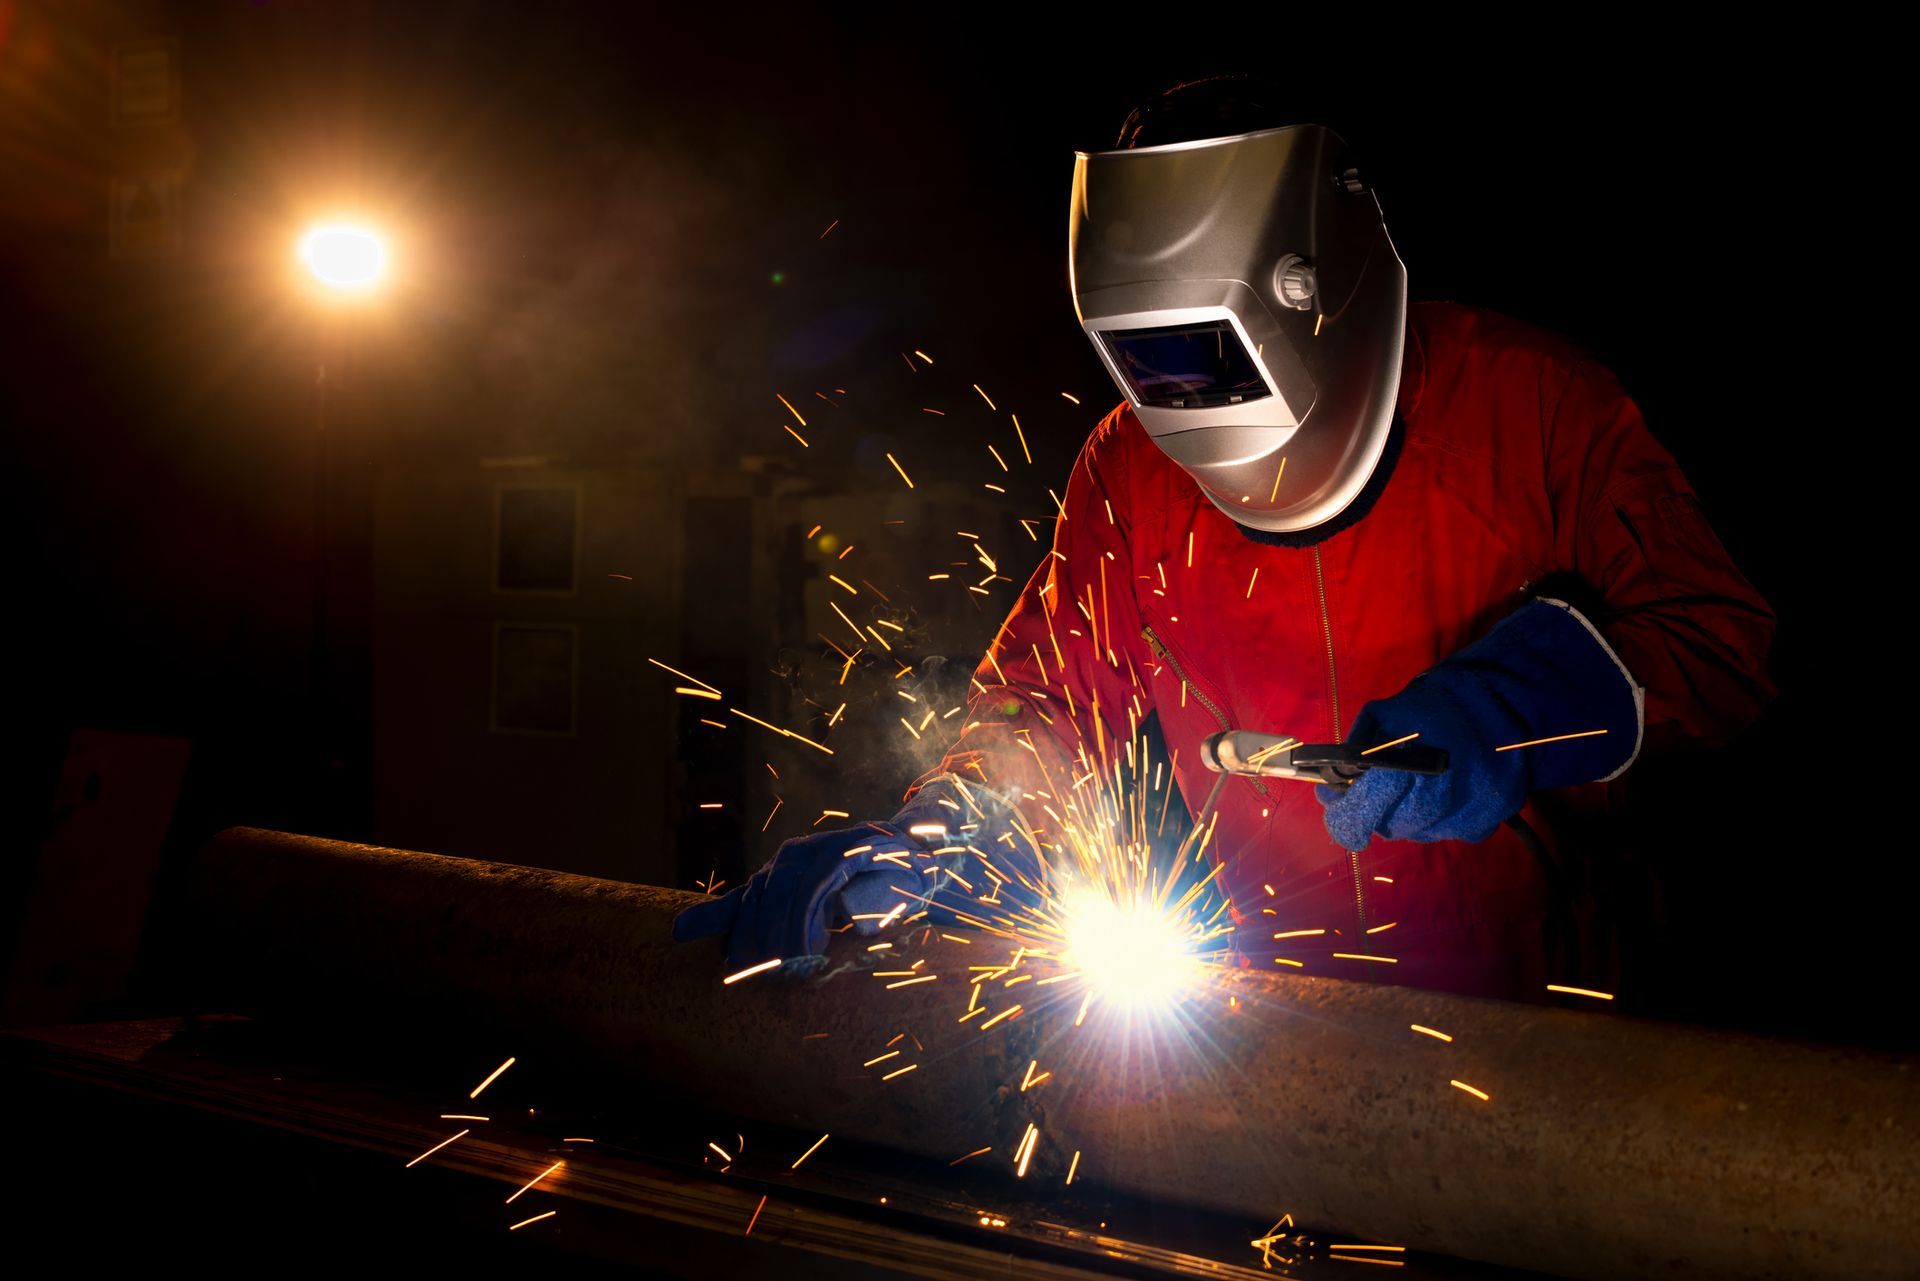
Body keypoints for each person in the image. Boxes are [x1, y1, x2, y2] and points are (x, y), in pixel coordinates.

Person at [674, 79, 1774, 1000]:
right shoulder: (1128, 463)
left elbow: (1722, 646)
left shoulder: (1534, 406)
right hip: (1268, 1002)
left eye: (1209, 352)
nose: (1186, 400)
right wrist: (950, 826)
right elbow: (1049, 703)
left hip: (1538, 1011)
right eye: (1149, 362)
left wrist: (1521, 703)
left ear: (1314, 286)